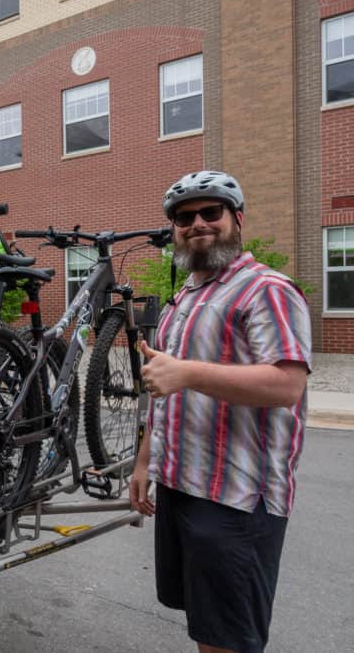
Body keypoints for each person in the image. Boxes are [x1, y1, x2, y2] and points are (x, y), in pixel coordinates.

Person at [129, 170, 312, 653]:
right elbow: (164, 388)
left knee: (228, 639)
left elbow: (287, 385)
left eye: (212, 213)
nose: (198, 224)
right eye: (185, 218)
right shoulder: (182, 299)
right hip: (180, 486)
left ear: (237, 219)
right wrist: (146, 462)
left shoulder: (266, 289)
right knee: (206, 626)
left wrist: (187, 372)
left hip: (238, 499)